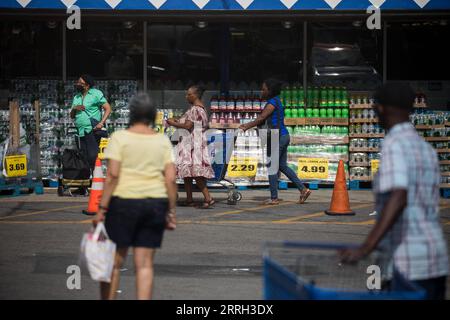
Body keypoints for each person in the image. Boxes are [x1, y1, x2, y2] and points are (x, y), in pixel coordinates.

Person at [340, 83, 448, 300]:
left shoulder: (394, 144)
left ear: (381, 109)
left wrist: (365, 248)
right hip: (436, 259)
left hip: (407, 263)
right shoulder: (425, 148)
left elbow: (399, 196)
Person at [94, 92, 177, 300]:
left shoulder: (119, 138)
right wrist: (171, 211)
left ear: (131, 113)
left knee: (114, 263)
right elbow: (170, 179)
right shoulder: (162, 141)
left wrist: (102, 209)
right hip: (155, 205)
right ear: (152, 115)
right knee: (145, 265)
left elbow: (112, 175)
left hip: (123, 204)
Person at [239, 79, 311, 205]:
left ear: (270, 91)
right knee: (281, 166)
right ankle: (303, 190)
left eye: (264, 89)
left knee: (272, 166)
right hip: (281, 136)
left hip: (278, 137)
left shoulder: (272, 102)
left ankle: (274, 197)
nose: (262, 91)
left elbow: (261, 118)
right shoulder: (276, 100)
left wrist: (246, 126)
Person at [166, 85, 215, 209]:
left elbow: (188, 126)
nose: (186, 96)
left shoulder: (195, 109)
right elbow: (186, 121)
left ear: (195, 95)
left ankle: (208, 198)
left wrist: (172, 123)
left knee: (196, 173)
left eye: (189, 94)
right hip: (193, 143)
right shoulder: (199, 109)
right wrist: (176, 120)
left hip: (193, 145)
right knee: (187, 173)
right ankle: (189, 199)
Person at [70, 74, 112, 173]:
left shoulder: (96, 94)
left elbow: (108, 108)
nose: (77, 84)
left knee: (93, 155)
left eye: (80, 83)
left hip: (92, 129)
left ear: (87, 85)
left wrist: (101, 123)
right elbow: (72, 116)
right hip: (80, 131)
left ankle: (95, 178)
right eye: (77, 82)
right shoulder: (76, 97)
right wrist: (75, 108)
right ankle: (85, 180)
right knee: (83, 156)